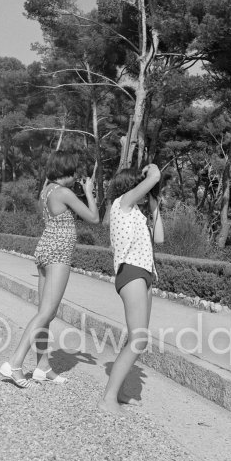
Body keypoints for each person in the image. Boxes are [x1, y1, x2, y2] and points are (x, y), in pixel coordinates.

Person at [0, 150, 99, 388]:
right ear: (67, 171)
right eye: (74, 171)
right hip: (58, 255)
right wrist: (88, 192)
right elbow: (94, 218)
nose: (76, 176)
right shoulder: (64, 192)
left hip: (44, 250)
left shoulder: (47, 191)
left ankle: (42, 367)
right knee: (45, 313)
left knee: (46, 312)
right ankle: (14, 363)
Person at [98, 163, 164, 415]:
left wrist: (155, 200)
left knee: (137, 337)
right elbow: (155, 175)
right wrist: (153, 172)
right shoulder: (121, 204)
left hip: (145, 273)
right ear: (132, 186)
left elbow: (159, 238)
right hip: (132, 271)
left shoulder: (136, 212)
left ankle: (120, 392)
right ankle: (107, 399)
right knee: (139, 338)